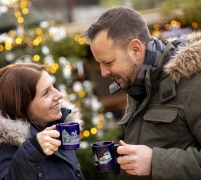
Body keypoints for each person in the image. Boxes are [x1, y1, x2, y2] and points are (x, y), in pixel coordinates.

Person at [86, 6, 201, 180]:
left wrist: (155, 162)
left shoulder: (194, 83)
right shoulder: (136, 83)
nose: (103, 73)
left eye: (108, 62)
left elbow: (151, 160)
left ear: (135, 49)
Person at [0, 62, 83, 179]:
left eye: (53, 87)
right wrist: (32, 152)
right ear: (22, 106)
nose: (59, 95)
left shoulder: (57, 126)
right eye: (46, 93)